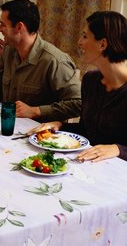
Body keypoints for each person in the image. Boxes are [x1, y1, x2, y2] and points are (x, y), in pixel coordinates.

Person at [0, 0, 82, 122]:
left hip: (41, 135)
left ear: (19, 27)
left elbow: (78, 104)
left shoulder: (55, 61)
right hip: (8, 126)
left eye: (3, 25)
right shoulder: (8, 51)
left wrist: (36, 111)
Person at [29, 11, 127, 162]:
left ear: (103, 44)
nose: (80, 42)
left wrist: (118, 149)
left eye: (85, 36)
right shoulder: (90, 81)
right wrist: (60, 125)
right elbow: (86, 131)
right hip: (86, 165)